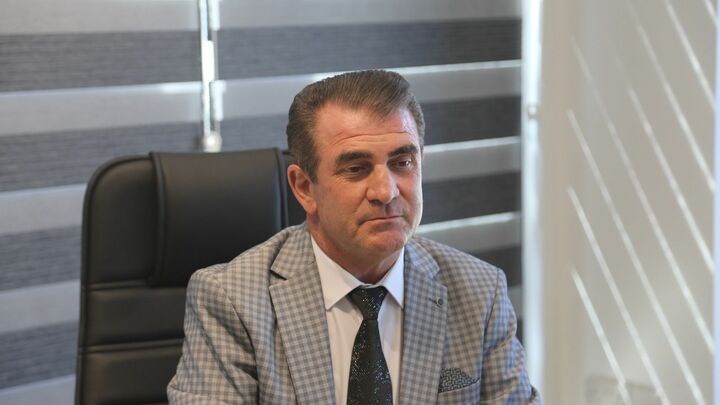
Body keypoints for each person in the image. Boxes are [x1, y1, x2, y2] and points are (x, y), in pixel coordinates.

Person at [167, 70, 540, 404]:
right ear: (304, 187)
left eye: (402, 163)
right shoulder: (234, 301)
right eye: (356, 168)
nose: (386, 191)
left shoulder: (478, 292)